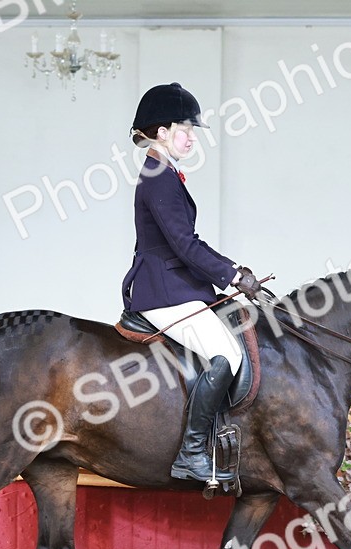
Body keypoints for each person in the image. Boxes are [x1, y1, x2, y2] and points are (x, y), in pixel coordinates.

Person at [120, 83, 262, 483]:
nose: (192, 137)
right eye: (187, 129)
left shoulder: (162, 172)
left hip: (175, 285)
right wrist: (233, 275)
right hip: (165, 291)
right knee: (227, 357)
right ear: (162, 131)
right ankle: (192, 452)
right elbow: (184, 244)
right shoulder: (159, 176)